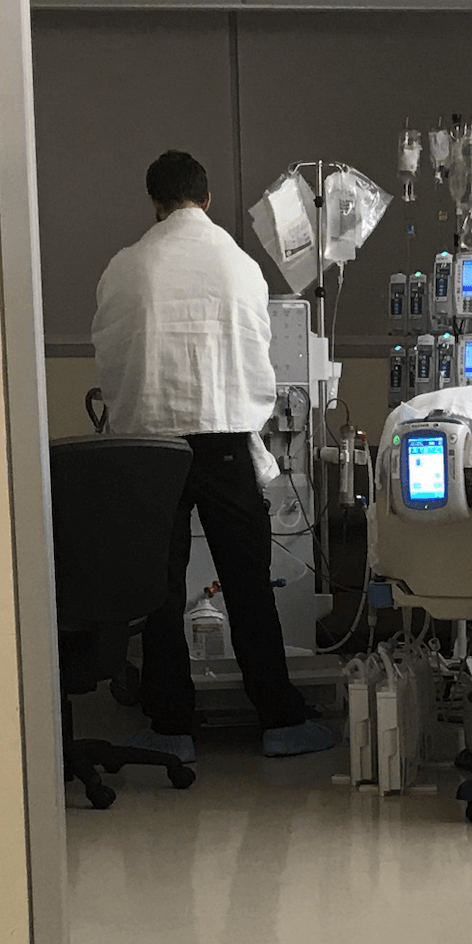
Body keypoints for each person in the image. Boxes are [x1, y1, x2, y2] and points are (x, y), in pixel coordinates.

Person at [91, 150, 334, 762]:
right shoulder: (240, 266)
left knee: (161, 592)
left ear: (155, 202)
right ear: (207, 198)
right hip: (226, 441)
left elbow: (111, 354)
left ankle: (171, 729)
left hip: (150, 447)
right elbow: (259, 355)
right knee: (250, 584)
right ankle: (280, 721)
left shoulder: (127, 266)